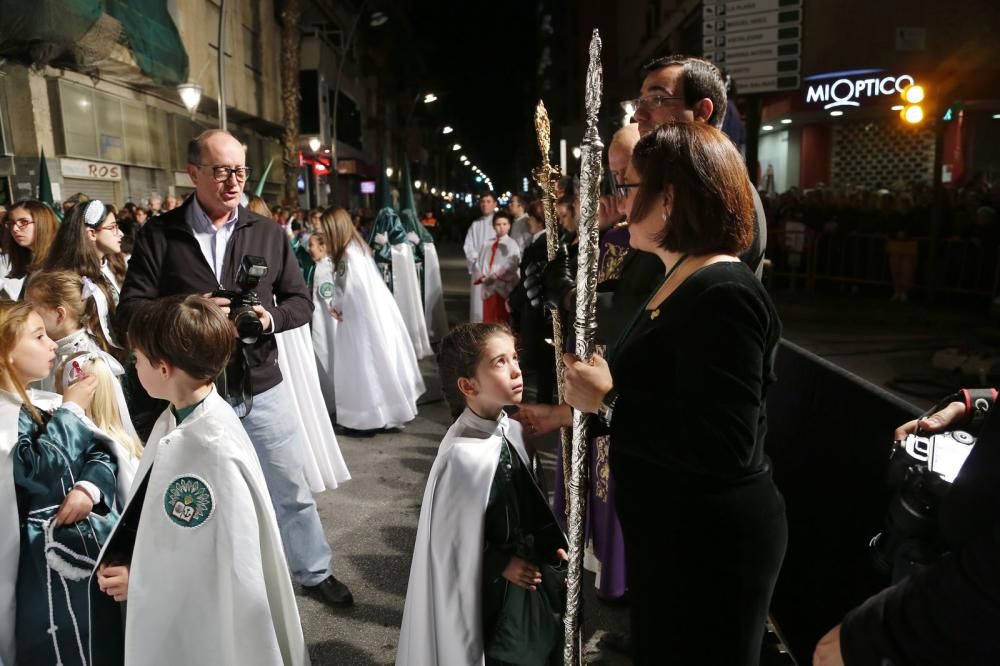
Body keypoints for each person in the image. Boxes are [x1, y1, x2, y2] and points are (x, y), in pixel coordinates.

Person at [561, 122, 786, 665]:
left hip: (710, 548)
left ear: (671, 199)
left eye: (628, 187)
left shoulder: (724, 291)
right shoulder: (678, 273)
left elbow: (722, 442)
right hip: (674, 538)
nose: (620, 201)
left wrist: (609, 401)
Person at [115, 128, 353, 609]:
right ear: (194, 173)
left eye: (240, 170)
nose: (233, 181)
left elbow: (300, 302)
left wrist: (269, 318)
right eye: (222, 170)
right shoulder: (161, 234)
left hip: (261, 385)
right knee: (202, 493)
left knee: (290, 486)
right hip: (192, 393)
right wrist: (188, 308)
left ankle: (313, 570)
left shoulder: (266, 232)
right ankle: (218, 580)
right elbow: (129, 311)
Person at [95, 295, 308, 666]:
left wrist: (143, 581)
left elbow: (223, 566)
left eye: (138, 360)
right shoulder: (178, 418)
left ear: (164, 368)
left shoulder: (212, 448)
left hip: (207, 632)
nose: (134, 367)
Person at [397, 323, 567, 666]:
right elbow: (449, 543)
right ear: (468, 385)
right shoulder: (460, 455)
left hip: (529, 582)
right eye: (500, 362)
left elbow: (528, 497)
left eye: (515, 357)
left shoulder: (513, 429)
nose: (517, 369)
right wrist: (501, 563)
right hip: (491, 596)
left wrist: (550, 540)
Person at [813, 396, 1000, 666]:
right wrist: (980, 406)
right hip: (960, 561)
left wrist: (889, 634)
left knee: (831, 652)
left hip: (976, 596)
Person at [0, 301, 124, 666]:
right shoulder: (9, 418)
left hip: (88, 557)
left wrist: (89, 488)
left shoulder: (48, 403)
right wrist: (72, 411)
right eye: (38, 337)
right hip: (36, 571)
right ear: (5, 353)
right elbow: (35, 471)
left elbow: (101, 452)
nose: (53, 344)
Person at [246, 195, 351, 493]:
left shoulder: (273, 243)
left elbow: (297, 296)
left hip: (278, 328)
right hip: (285, 330)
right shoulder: (279, 242)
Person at [628, 54, 767, 276]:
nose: (639, 115)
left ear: (702, 112)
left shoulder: (720, 190)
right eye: (639, 102)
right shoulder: (676, 179)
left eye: (657, 99)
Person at [310, 207, 424, 431]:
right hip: (369, 317)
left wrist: (337, 306)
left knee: (363, 367)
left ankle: (364, 418)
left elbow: (348, 290)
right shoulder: (357, 249)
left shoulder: (347, 256)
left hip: (358, 322)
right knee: (375, 365)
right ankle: (379, 414)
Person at [44, 200, 126, 350]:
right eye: (113, 227)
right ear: (92, 234)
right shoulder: (68, 279)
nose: (120, 233)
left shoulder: (115, 264)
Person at [24, 270, 117, 391]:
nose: (24, 315)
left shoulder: (82, 362)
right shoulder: (45, 346)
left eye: (30, 308)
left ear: (59, 314)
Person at [368, 206, 433, 359]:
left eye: (390, 220)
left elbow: (400, 255)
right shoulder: (376, 236)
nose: (386, 224)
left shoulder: (402, 241)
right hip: (381, 281)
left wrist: (384, 248)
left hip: (397, 284)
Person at [0, 199, 59, 300]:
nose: (15, 229)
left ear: (43, 223)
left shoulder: (61, 260)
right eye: (11, 223)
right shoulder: (28, 257)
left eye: (24, 222)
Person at [473, 209, 521, 325]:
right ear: (494, 226)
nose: (501, 227)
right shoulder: (487, 244)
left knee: (502, 320)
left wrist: (495, 275)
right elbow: (479, 262)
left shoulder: (512, 244)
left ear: (509, 225)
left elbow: (512, 264)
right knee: (489, 319)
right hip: (488, 287)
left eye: (505, 224)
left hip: (503, 288)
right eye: (498, 224)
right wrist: (483, 277)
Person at [464, 192, 499, 322]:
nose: (485, 204)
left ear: (495, 204)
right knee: (478, 306)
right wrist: (476, 261)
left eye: (488, 201)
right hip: (478, 269)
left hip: (494, 270)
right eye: (483, 201)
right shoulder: (475, 224)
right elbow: (468, 245)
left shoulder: (499, 223)